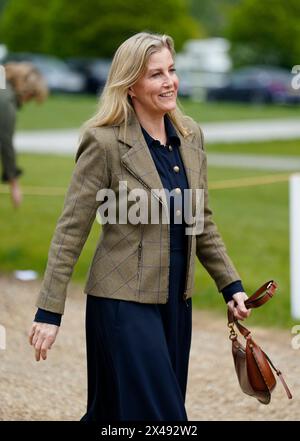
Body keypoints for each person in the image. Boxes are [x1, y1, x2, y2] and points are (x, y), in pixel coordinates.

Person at [28, 32, 251, 421]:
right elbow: (71, 230)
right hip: (122, 302)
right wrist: (49, 311)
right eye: (155, 75)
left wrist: (230, 285)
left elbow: (201, 219)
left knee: (114, 416)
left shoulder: (190, 135)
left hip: (176, 301)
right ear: (131, 85)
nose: (169, 82)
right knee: (163, 418)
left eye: (172, 70)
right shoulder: (104, 143)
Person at [0, 62, 48, 207]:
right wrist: (14, 183)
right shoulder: (5, 101)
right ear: (27, 90)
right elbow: (5, 143)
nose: (28, 101)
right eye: (32, 97)